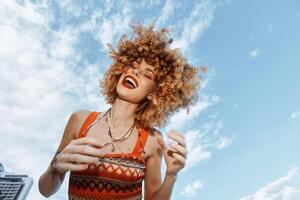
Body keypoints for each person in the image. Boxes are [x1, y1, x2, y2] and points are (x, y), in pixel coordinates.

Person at [38, 22, 207, 200]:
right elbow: (46, 190)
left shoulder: (152, 140)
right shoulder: (80, 120)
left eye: (147, 74)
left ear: (155, 93)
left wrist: (171, 176)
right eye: (133, 66)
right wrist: (54, 168)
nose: (135, 73)